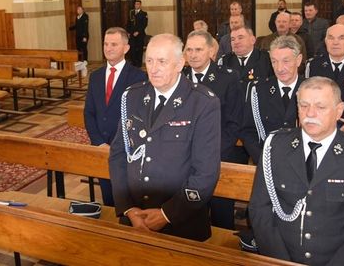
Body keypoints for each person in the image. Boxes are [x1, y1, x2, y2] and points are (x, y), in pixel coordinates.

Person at [249, 76, 344, 265]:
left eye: (320, 107)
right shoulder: (276, 147)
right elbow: (260, 210)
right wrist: (280, 261)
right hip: (281, 258)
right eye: (304, 105)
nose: (310, 113)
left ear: (339, 111)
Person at [109, 34, 221, 241]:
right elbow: (118, 155)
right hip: (134, 217)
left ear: (179, 64)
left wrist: (167, 214)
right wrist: (128, 208)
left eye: (162, 61)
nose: (153, 69)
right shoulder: (132, 96)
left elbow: (205, 173)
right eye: (149, 61)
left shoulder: (203, 103)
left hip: (181, 222)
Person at [183, 30, 245, 229]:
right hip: (185, 158)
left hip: (218, 156)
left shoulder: (228, 78)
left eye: (198, 49)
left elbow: (234, 122)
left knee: (221, 214)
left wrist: (212, 152)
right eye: (189, 50)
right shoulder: (179, 77)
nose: (193, 55)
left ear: (211, 51)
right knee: (189, 214)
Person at [84, 27, 147, 206]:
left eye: (114, 44)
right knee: (108, 197)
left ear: (126, 48)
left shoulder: (138, 77)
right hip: (101, 147)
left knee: (128, 199)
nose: (108, 48)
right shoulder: (96, 76)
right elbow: (89, 112)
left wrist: (119, 145)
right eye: (106, 44)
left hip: (126, 150)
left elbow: (139, 117)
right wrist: (98, 142)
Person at [242, 35, 304, 164]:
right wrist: (263, 160)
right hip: (267, 160)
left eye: (286, 61)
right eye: (274, 61)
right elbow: (248, 131)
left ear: (298, 60)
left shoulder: (311, 89)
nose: (279, 68)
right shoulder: (259, 90)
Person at [126, 0, 148, 67]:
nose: (136, 5)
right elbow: (128, 23)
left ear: (140, 5)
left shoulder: (144, 13)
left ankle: (139, 64)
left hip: (140, 34)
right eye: (135, 4)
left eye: (138, 4)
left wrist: (138, 32)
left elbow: (144, 24)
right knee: (132, 49)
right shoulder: (131, 13)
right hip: (132, 34)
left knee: (139, 49)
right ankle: (133, 63)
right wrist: (128, 32)